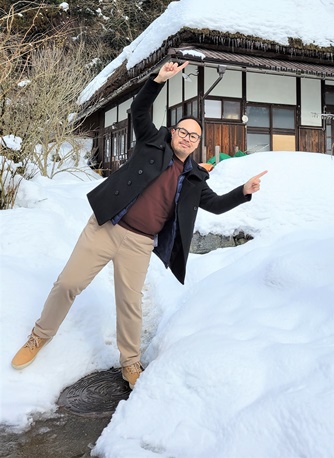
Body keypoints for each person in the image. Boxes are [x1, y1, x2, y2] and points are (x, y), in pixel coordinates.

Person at [11, 61, 267, 388]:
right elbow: (139, 110)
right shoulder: (151, 142)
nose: (188, 138)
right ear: (172, 133)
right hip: (106, 226)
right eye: (183, 131)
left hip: (140, 242)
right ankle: (39, 336)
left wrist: (243, 192)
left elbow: (214, 205)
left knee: (130, 304)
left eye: (195, 136)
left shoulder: (192, 177)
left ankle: (130, 363)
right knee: (68, 283)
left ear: (197, 143)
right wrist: (158, 80)